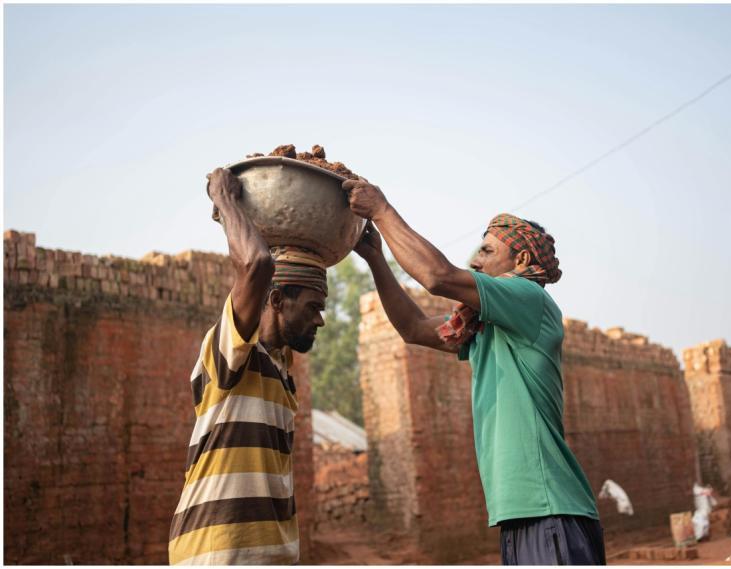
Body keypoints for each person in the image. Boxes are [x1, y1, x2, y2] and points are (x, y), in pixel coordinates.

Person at [346, 178, 606, 566]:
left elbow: (438, 276)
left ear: (521, 261)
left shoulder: (529, 297)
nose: (475, 260)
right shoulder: (483, 326)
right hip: (523, 513)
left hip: (550, 508)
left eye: (487, 250)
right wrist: (376, 260)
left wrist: (382, 211)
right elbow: (413, 328)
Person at [168, 168, 327, 565]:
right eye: (313, 307)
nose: (320, 320)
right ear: (275, 301)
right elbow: (257, 263)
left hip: (274, 555)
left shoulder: (282, 368)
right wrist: (224, 199)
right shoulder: (233, 350)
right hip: (218, 554)